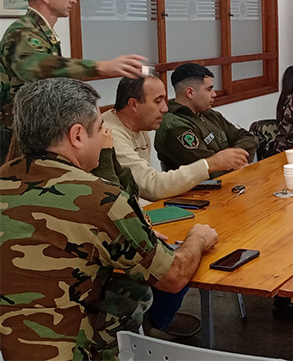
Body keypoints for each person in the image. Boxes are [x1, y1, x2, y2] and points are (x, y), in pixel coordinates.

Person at [0, 77, 218, 360]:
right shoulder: (97, 199)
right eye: (99, 130)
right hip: (70, 354)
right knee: (135, 286)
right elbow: (173, 277)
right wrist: (197, 240)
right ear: (78, 135)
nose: (104, 137)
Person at [0, 0, 146, 163]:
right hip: (13, 140)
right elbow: (42, 68)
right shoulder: (21, 33)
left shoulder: (41, 33)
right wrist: (101, 67)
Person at [103, 76, 250, 202]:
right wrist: (210, 164)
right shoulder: (111, 134)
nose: (165, 108)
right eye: (157, 101)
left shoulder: (140, 125)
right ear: (133, 104)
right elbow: (152, 186)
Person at [154, 63, 257, 175]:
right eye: (209, 89)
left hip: (230, 180)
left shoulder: (209, 114)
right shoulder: (175, 126)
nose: (214, 94)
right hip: (202, 190)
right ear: (190, 93)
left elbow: (248, 138)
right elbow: (209, 168)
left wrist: (235, 158)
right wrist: (235, 161)